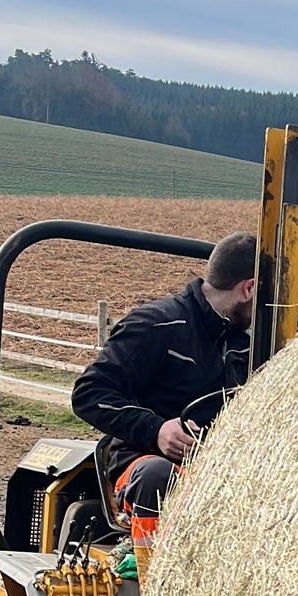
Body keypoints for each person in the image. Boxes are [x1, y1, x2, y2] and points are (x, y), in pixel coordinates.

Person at [71, 231, 257, 573]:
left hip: (217, 472)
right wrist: (156, 430)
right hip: (145, 465)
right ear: (249, 288)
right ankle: (157, 587)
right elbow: (89, 393)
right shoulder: (157, 325)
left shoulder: (249, 345)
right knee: (158, 475)